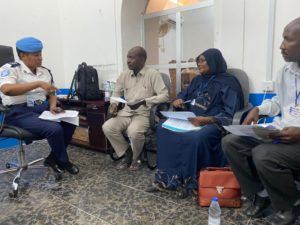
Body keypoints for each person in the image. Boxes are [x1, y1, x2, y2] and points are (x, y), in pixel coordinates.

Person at [222, 17, 300, 225]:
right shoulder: (285, 71)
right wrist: (259, 108)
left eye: (287, 40)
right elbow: (278, 101)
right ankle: (259, 195)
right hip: (283, 131)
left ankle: (287, 207)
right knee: (231, 142)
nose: (281, 46)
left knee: (263, 154)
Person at [147, 48, 244, 195]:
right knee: (162, 128)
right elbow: (183, 94)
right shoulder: (197, 80)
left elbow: (231, 111)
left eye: (203, 60)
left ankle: (191, 183)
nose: (199, 64)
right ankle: (166, 179)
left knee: (195, 138)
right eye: (198, 60)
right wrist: (178, 99)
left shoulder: (229, 82)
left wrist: (209, 119)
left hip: (212, 122)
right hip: (190, 118)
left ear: (213, 61)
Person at [0, 37, 79, 174]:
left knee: (70, 121)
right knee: (54, 128)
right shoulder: (10, 69)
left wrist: (52, 106)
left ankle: (52, 159)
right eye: (36, 55)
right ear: (22, 56)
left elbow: (51, 91)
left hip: (41, 107)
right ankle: (64, 161)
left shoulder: (45, 71)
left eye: (41, 54)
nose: (40, 58)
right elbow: (7, 89)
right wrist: (37, 84)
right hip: (17, 111)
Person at [102, 46, 169, 171]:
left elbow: (165, 96)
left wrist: (144, 101)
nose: (128, 61)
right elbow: (116, 93)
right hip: (126, 112)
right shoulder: (124, 75)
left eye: (131, 57)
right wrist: (114, 104)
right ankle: (127, 152)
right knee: (108, 127)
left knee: (133, 131)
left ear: (142, 59)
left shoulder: (153, 74)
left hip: (144, 113)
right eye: (127, 57)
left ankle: (136, 158)